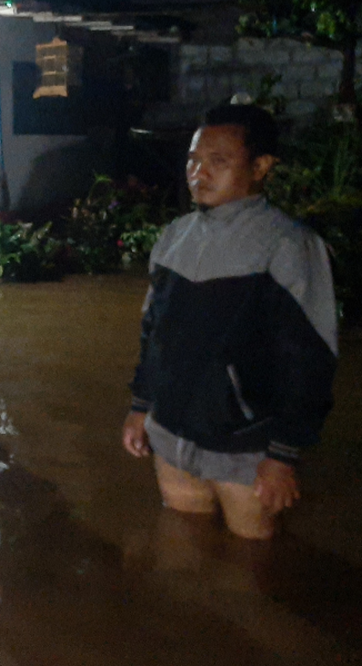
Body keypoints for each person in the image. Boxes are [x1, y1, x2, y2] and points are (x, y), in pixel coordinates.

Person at [122, 103, 337, 539]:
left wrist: (282, 454)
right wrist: (141, 407)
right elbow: (153, 333)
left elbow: (310, 358)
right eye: (193, 160)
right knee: (181, 551)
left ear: (261, 166)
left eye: (218, 162)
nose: (198, 173)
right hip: (171, 432)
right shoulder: (174, 237)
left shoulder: (289, 246)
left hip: (245, 447)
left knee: (252, 560)